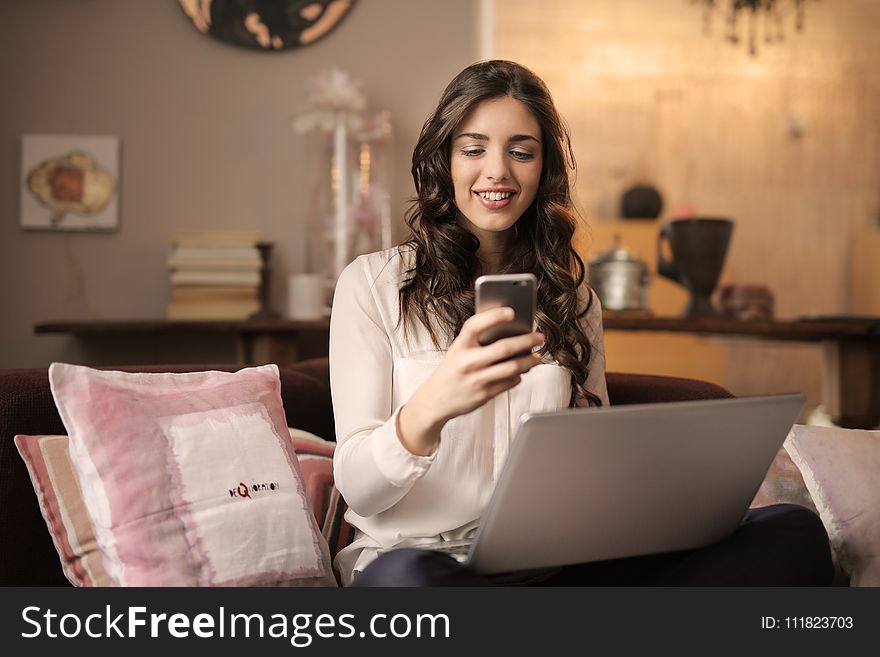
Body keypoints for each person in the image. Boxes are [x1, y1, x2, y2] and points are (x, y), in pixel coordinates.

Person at [328, 59, 833, 587]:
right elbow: (360, 488)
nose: (497, 171)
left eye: (521, 152)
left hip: (550, 567)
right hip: (424, 563)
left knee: (792, 532)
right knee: (405, 582)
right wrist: (434, 405)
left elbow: (592, 466)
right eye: (473, 149)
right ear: (444, 162)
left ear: (542, 170)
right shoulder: (374, 286)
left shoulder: (574, 302)